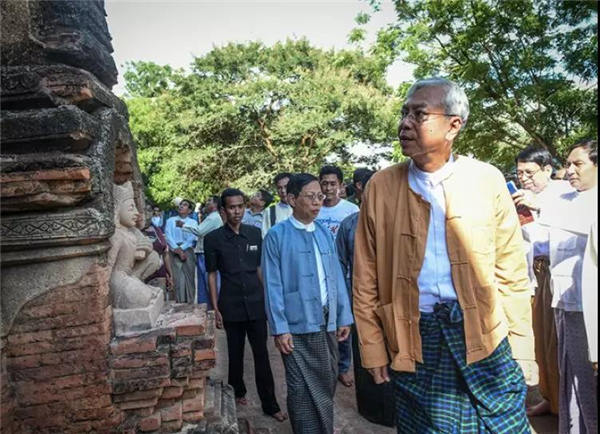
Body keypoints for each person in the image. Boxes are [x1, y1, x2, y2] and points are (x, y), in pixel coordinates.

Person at [353, 77, 534, 433]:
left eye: (419, 114)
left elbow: (512, 272)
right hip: (414, 340)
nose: (405, 124)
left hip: (485, 336)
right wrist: (373, 349)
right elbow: (365, 279)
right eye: (404, 113)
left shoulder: (487, 180)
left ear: (454, 125)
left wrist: (523, 349)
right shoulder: (381, 186)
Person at [263, 173, 353, 434]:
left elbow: (336, 277)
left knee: (327, 380)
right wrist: (280, 328)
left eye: (320, 196)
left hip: (326, 322)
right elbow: (272, 285)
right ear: (292, 199)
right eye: (311, 196)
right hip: (295, 326)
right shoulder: (277, 236)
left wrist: (343, 316)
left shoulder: (324, 233)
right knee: (300, 388)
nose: (317, 202)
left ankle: (324, 428)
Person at [203, 188, 287, 422]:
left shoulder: (254, 234)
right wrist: (215, 308)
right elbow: (212, 275)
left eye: (240, 206)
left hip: (257, 303)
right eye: (232, 207)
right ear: (223, 210)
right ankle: (237, 391)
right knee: (235, 352)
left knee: (262, 355)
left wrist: (269, 299)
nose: (237, 211)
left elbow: (259, 268)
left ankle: (270, 404)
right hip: (230, 305)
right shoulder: (213, 239)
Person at [538, 139, 597, 433]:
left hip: (588, 307)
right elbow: (540, 240)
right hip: (563, 302)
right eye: (568, 164)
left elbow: (587, 226)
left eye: (578, 164)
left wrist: (543, 208)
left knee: (588, 382)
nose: (570, 170)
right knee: (570, 375)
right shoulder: (565, 200)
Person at [510, 146, 572, 416]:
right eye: (520, 172)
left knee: (557, 342)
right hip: (535, 274)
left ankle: (566, 406)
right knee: (540, 341)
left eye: (530, 172)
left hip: (560, 272)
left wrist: (540, 206)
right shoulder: (520, 198)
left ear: (547, 169)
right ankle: (549, 397)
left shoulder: (564, 193)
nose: (524, 178)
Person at [336, 169, 395, 427]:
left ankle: (395, 410)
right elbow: (340, 265)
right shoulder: (349, 224)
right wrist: (343, 305)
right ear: (361, 190)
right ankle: (371, 409)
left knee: (396, 355)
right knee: (365, 354)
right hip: (360, 300)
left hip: (394, 301)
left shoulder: (396, 219)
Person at [315, 165, 359, 388]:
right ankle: (323, 366)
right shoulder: (314, 209)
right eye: (324, 183)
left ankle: (343, 367)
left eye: (333, 183)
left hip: (345, 275)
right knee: (320, 323)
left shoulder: (351, 210)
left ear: (341, 185)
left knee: (344, 320)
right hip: (319, 276)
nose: (328, 188)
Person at [183, 195, 223, 308]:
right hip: (203, 252)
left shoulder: (214, 218)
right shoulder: (210, 217)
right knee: (203, 284)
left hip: (207, 253)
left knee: (209, 283)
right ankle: (206, 308)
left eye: (209, 200)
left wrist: (183, 225)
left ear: (215, 204)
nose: (207, 202)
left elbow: (199, 231)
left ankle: (213, 308)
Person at [164, 199, 197, 303]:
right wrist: (177, 249)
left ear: (190, 210)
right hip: (174, 251)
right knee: (176, 277)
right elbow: (168, 235)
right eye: (180, 204)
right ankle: (178, 302)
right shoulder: (171, 220)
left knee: (189, 277)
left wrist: (182, 248)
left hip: (188, 250)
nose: (181, 206)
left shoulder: (193, 222)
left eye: (185, 205)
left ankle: (190, 301)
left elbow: (193, 237)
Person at [261, 172, 293, 238]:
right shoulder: (270, 212)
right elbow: (265, 236)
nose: (283, 191)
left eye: (286, 187)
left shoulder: (303, 209)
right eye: (279, 188)